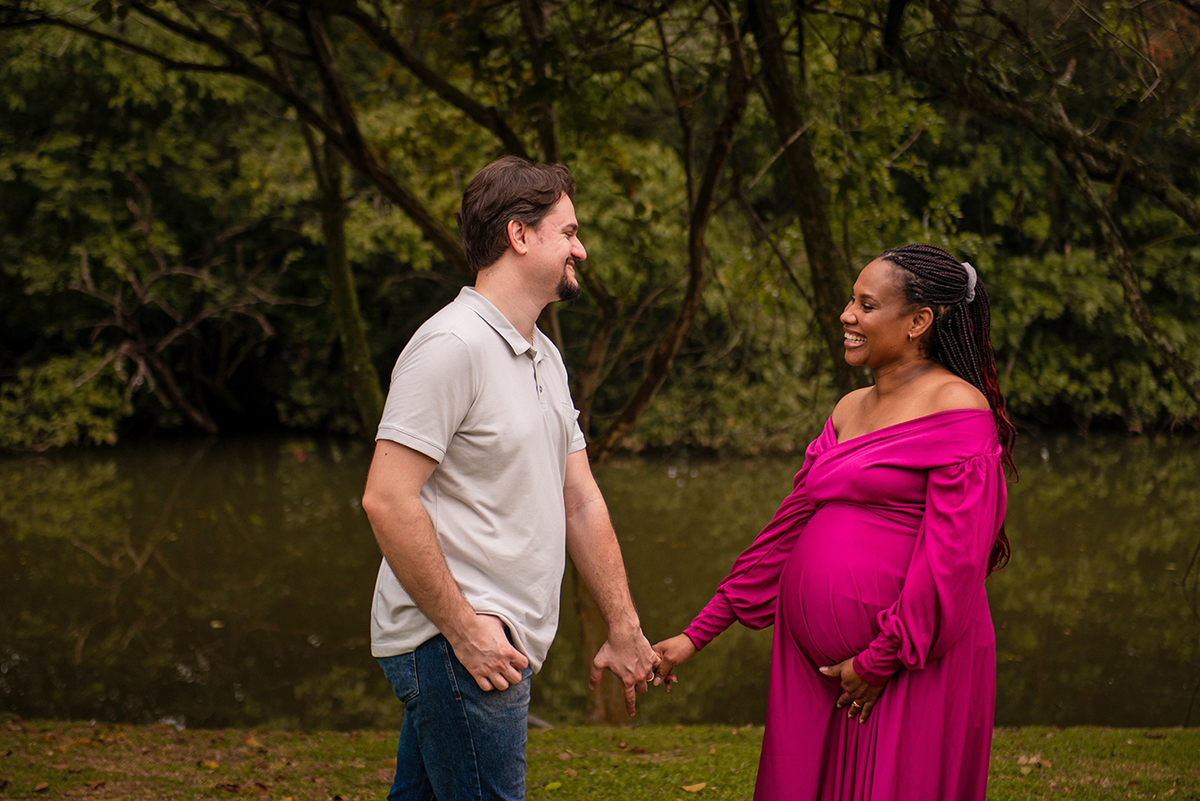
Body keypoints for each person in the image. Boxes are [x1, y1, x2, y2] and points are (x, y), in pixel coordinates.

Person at [653, 244, 1017, 800]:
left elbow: (953, 560)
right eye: (851, 300)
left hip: (908, 664)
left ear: (919, 321)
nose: (847, 315)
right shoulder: (849, 408)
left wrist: (879, 660)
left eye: (866, 305)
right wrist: (696, 635)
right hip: (814, 669)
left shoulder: (957, 407)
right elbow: (787, 530)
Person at [362, 156, 658, 801]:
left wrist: (623, 624)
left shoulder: (542, 353)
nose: (581, 249)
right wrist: (467, 630)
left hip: (491, 641)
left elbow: (579, 499)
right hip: (460, 642)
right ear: (520, 236)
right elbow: (386, 499)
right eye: (569, 232)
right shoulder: (451, 346)